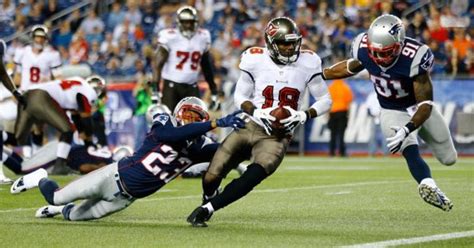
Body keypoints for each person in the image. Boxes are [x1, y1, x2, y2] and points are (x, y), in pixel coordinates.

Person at [186, 17, 332, 227]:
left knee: (255, 174)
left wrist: (304, 114)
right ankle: (207, 198)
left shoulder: (309, 61)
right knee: (212, 174)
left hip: (278, 134)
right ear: (271, 43)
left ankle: (208, 208)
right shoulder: (255, 59)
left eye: (293, 42)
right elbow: (240, 96)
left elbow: (325, 99)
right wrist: (256, 111)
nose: (290, 48)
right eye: (284, 43)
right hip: (250, 123)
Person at [10, 97, 245, 221]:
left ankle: (56, 211)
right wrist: (215, 122)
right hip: (111, 177)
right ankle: (39, 178)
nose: (193, 122)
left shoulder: (198, 147)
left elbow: (225, 150)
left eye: (198, 119)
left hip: (124, 199)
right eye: (190, 116)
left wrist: (251, 135)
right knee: (56, 196)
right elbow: (169, 135)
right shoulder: (165, 122)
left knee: (73, 216)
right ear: (179, 113)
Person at [322, 14, 456, 211]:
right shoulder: (363, 48)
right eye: (374, 52)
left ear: (399, 44)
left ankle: (421, 146)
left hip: (417, 109)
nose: (378, 58)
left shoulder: (415, 57)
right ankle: (428, 183)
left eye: (385, 53)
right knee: (409, 150)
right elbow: (350, 67)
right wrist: (320, 74)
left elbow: (425, 104)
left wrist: (409, 127)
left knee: (449, 158)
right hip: (391, 109)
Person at [0, 75, 107, 175]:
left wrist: (86, 138)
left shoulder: (77, 83)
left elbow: (76, 117)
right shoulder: (88, 92)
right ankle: (59, 165)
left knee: (21, 137)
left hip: (27, 95)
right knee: (68, 129)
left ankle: (3, 136)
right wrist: (89, 142)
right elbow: (86, 121)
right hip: (42, 97)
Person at [153, 6, 220, 112]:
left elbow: (206, 65)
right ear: (179, 22)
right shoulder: (169, 36)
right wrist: (155, 90)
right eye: (185, 22)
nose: (188, 25)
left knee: (195, 123)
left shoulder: (203, 36)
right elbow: (157, 64)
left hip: (191, 86)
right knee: (170, 122)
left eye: (191, 22)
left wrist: (213, 88)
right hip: (171, 86)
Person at [13, 25, 62, 156]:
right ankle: (29, 154)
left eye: (42, 38)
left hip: (41, 93)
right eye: (37, 37)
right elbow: (17, 75)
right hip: (25, 92)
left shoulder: (52, 54)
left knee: (39, 126)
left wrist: (50, 81)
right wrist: (15, 90)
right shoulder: (22, 52)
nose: (39, 40)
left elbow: (58, 77)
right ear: (33, 38)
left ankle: (36, 152)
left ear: (46, 39)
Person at [4, 141, 129, 177]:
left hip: (61, 147)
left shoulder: (105, 152)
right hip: (59, 154)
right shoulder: (106, 162)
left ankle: (3, 148)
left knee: (24, 164)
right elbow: (83, 167)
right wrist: (99, 169)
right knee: (21, 170)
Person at [327, 79, 353, 157]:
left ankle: (331, 152)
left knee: (333, 134)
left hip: (332, 112)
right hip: (342, 111)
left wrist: (327, 115)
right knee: (341, 134)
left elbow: (327, 102)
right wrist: (348, 114)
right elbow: (349, 102)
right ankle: (342, 152)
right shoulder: (345, 87)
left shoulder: (331, 87)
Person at [365, 92, 388, 156]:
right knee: (372, 136)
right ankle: (372, 152)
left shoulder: (384, 95)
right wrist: (371, 114)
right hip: (374, 117)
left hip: (383, 117)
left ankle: (385, 152)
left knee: (385, 136)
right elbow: (368, 107)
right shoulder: (371, 96)